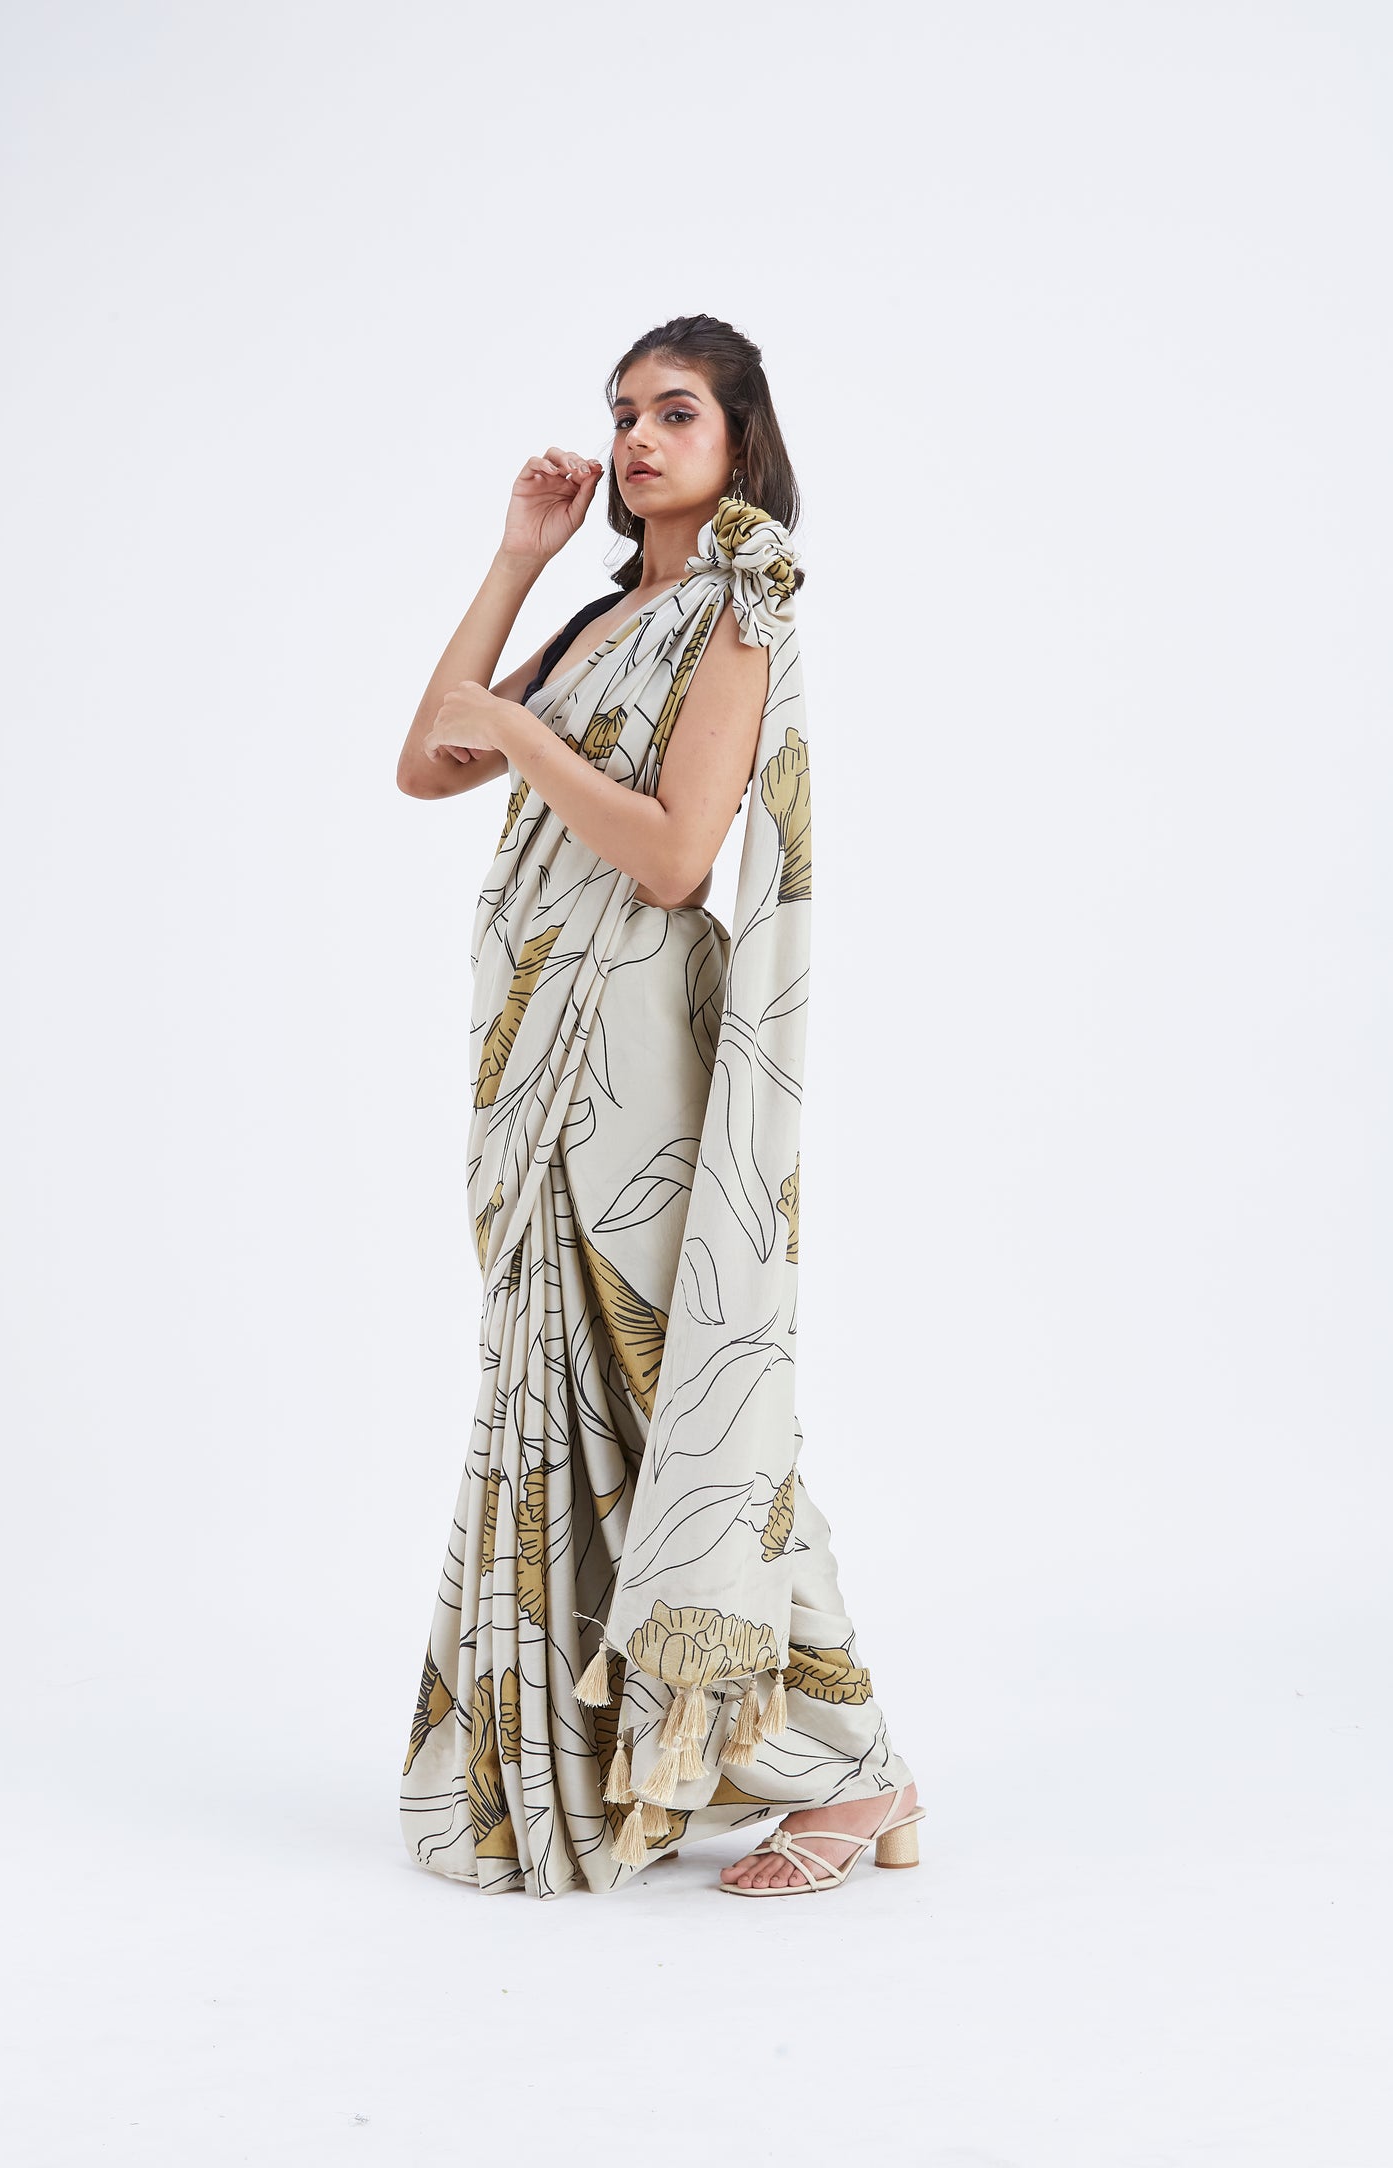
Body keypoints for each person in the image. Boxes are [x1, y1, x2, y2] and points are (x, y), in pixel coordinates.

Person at [395, 313, 923, 1898]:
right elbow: (426, 760)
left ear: (739, 437)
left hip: (631, 1038)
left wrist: (520, 730)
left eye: (674, 411)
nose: (635, 437)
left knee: (671, 1382)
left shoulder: (737, 612)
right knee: (576, 1378)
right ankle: (657, 1748)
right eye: (622, 409)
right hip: (532, 1037)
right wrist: (517, 560)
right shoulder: (605, 610)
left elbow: (677, 856)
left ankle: (852, 1769)